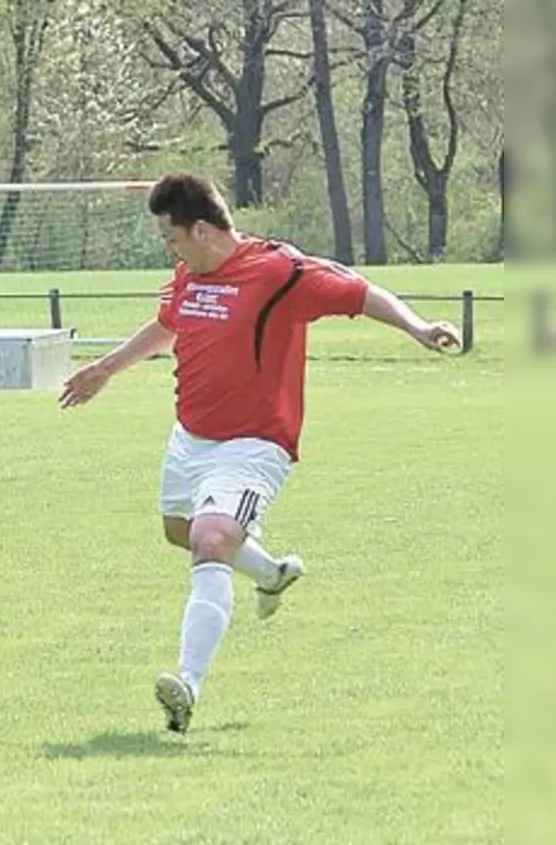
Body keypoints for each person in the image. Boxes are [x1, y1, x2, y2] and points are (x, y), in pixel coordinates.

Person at [58, 173, 462, 735]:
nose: (168, 250)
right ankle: (271, 574)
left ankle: (187, 685)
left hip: (254, 442)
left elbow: (358, 291)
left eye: (172, 239)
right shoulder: (189, 274)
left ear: (202, 230)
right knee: (180, 531)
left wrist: (417, 327)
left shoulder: (279, 271)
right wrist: (105, 369)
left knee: (210, 539)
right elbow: (167, 324)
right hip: (190, 436)